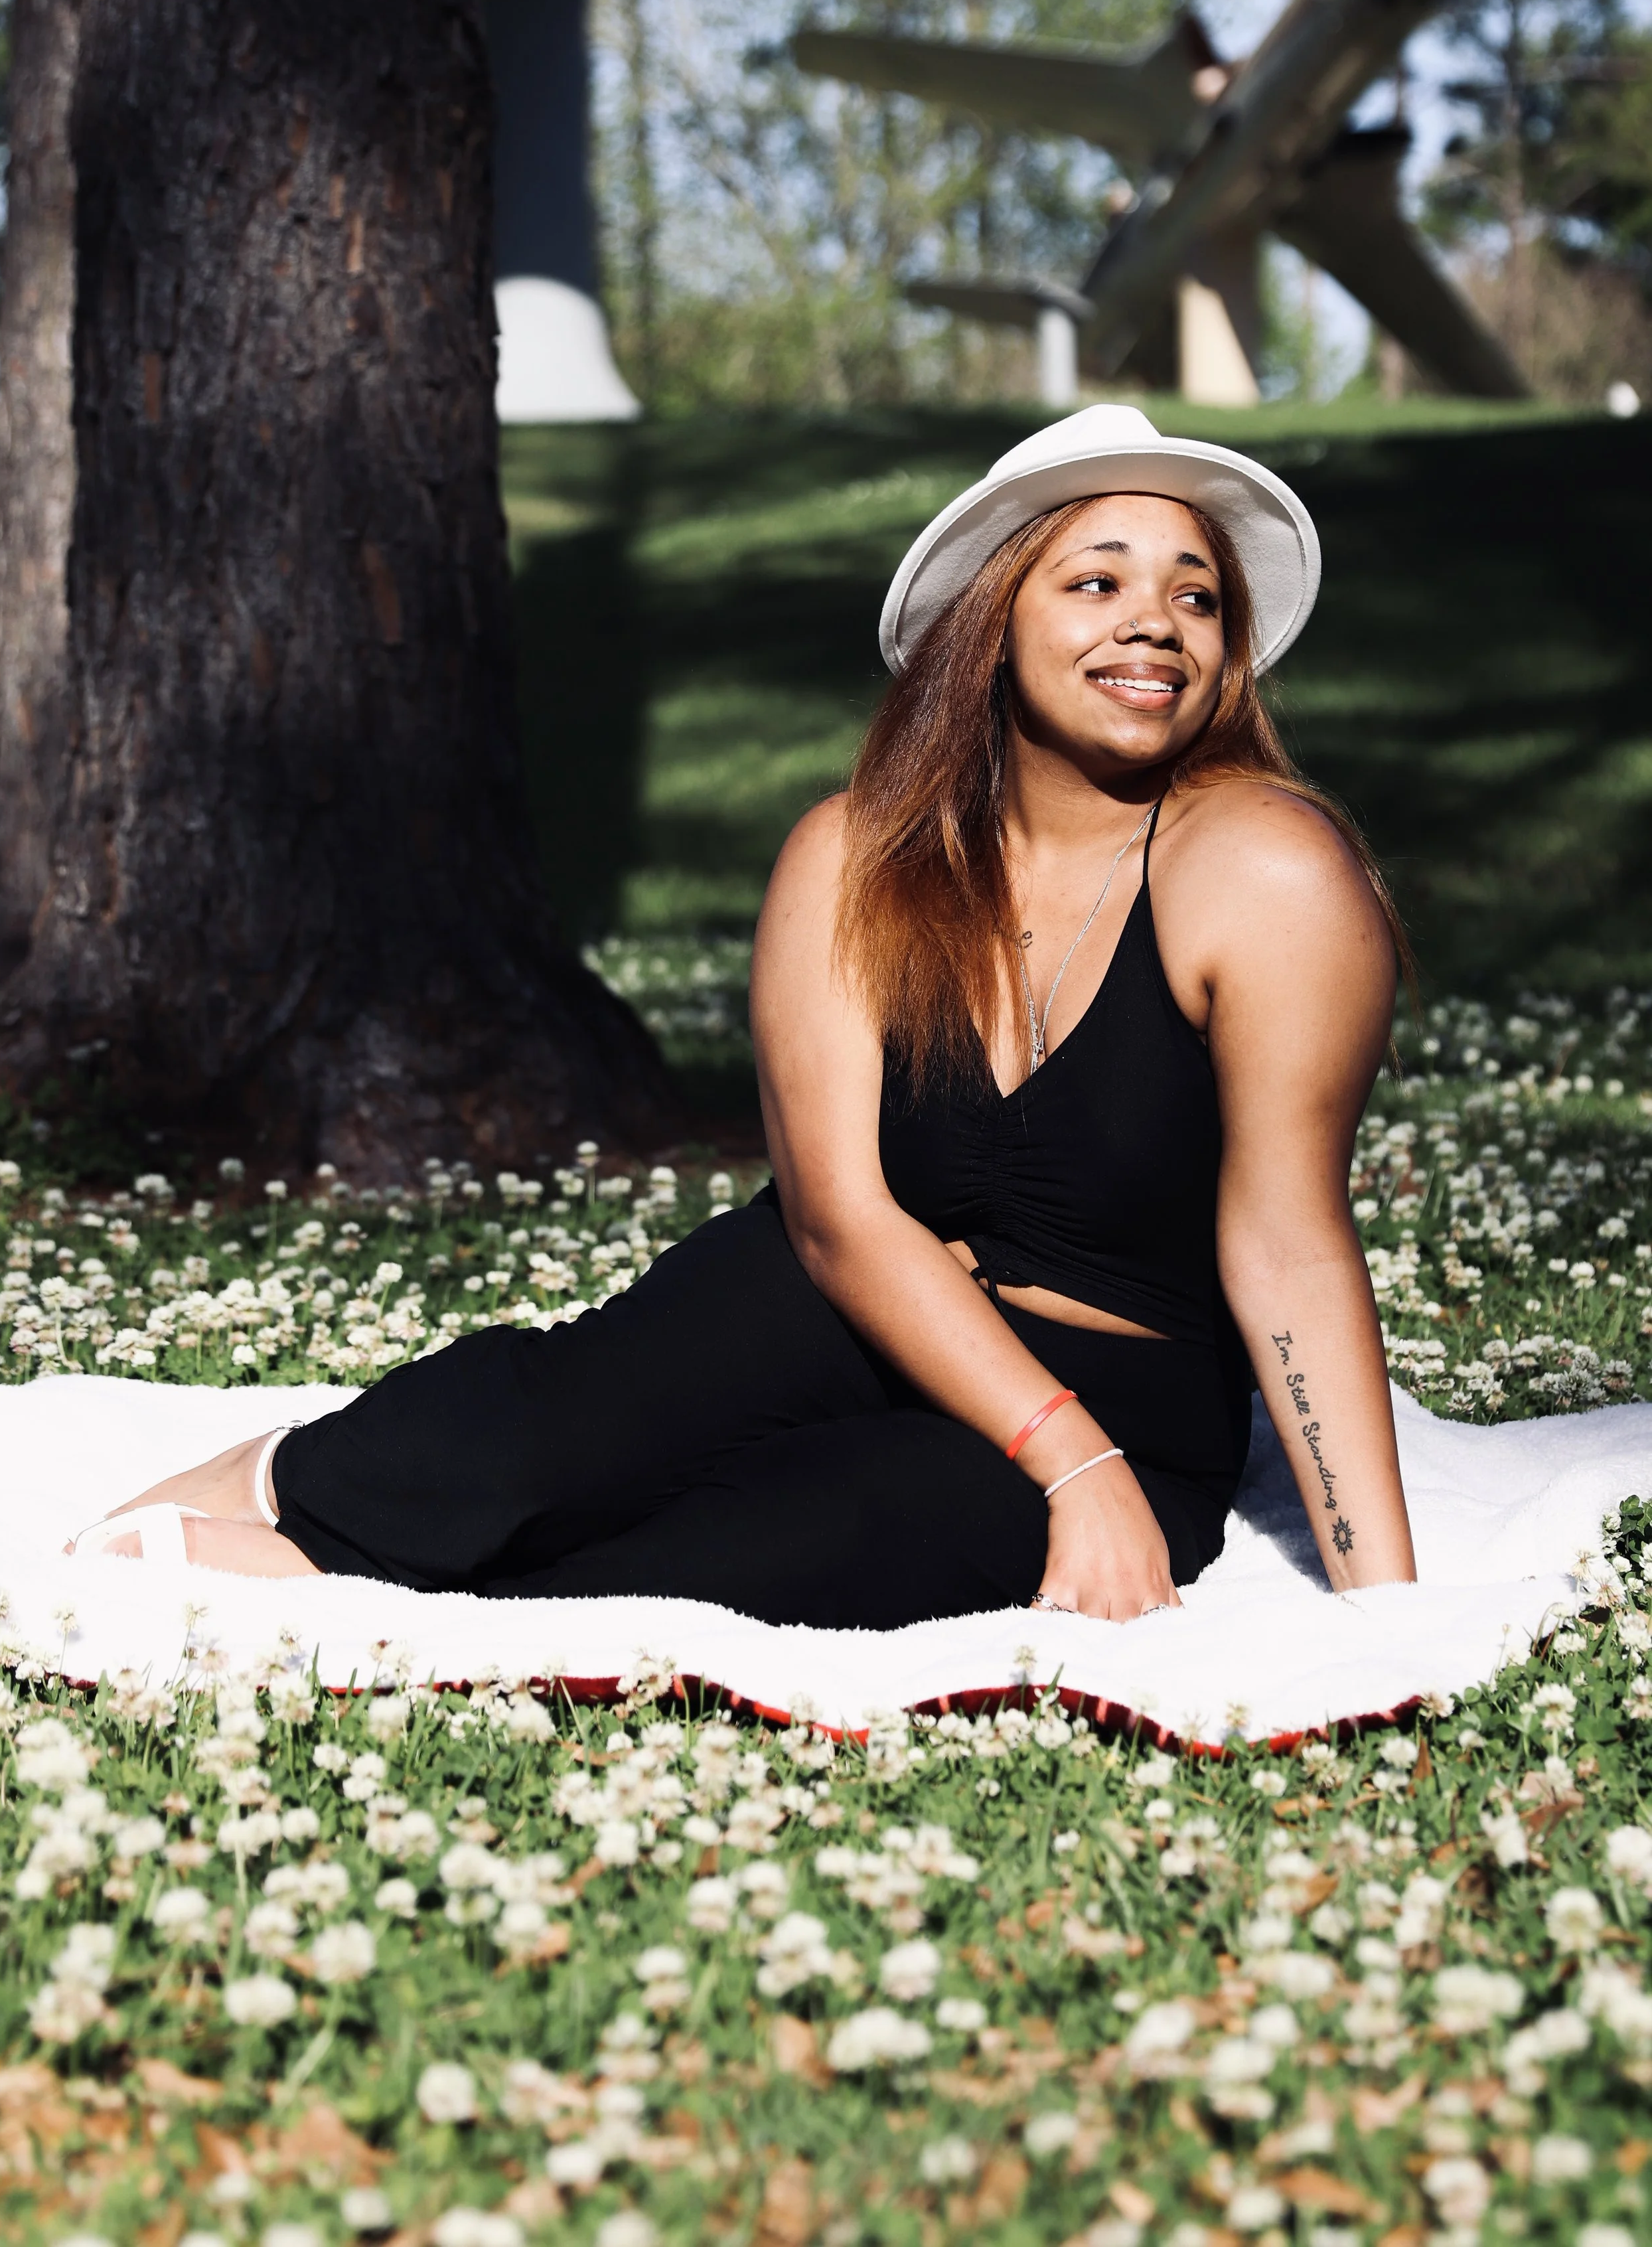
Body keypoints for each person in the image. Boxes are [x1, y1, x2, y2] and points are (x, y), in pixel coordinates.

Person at [68, 404, 1416, 1624]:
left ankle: (372, 1602)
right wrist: (1060, 1454)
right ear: (989, 623)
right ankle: (295, 1487)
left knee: (799, 1548)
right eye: (1095, 581)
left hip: (1130, 1406)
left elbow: (1289, 1247)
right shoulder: (850, 858)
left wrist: (1384, 1612)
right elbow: (837, 1217)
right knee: (559, 1433)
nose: (1153, 622)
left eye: (1194, 597)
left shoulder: (1265, 872)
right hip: (845, 1301)